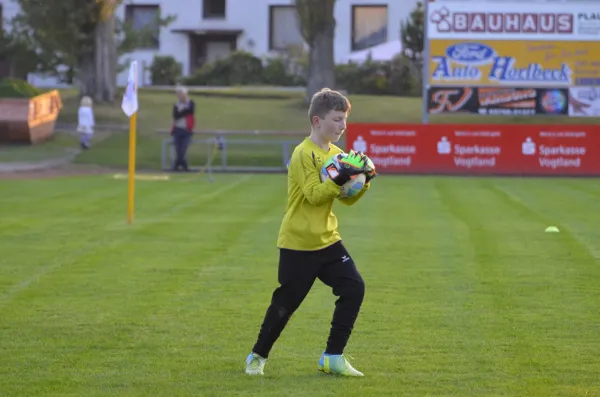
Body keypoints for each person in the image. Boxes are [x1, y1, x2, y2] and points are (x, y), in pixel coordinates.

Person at [245, 88, 377, 377]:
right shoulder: (302, 154)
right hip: (298, 242)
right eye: (337, 119)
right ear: (317, 121)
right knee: (285, 305)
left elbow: (346, 198)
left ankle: (332, 357)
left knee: (354, 288)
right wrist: (342, 176)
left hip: (327, 240)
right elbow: (314, 195)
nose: (343, 126)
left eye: (345, 120)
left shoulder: (338, 155)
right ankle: (257, 356)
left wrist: (363, 181)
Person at [171, 86, 195, 171]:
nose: (180, 96)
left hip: (186, 129)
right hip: (178, 129)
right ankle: (183, 165)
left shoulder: (191, 103)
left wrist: (182, 112)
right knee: (178, 148)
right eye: (179, 94)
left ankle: (178, 164)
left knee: (183, 148)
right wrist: (184, 112)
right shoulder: (176, 105)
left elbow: (190, 111)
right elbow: (176, 115)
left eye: (181, 94)